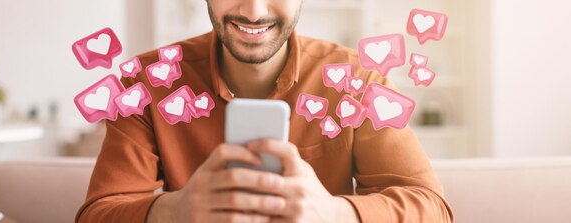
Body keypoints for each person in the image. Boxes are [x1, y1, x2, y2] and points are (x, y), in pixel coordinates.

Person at [76, 0, 454, 222]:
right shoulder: (146, 83)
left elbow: (433, 209)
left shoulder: (359, 82)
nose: (254, 12)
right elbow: (97, 214)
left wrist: (334, 214)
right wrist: (176, 211)